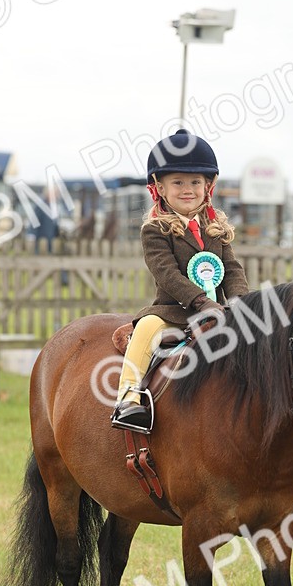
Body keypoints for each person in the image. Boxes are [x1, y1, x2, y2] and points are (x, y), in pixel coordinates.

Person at [110, 129, 249, 431]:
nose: (188, 189)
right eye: (178, 182)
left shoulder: (216, 229)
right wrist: (202, 302)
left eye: (195, 182)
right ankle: (128, 398)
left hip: (219, 311)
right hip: (174, 312)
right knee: (146, 328)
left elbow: (233, 270)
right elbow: (167, 274)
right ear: (159, 186)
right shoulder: (154, 230)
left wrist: (239, 304)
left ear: (207, 185)